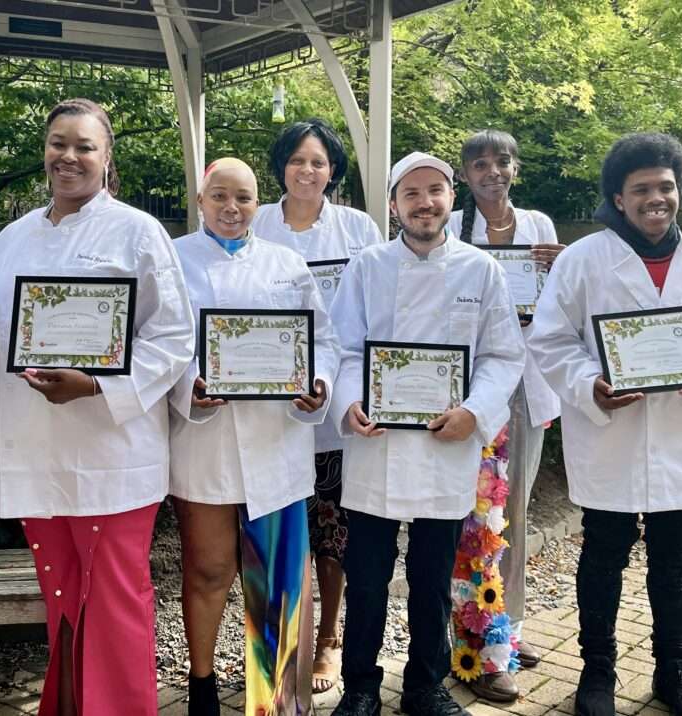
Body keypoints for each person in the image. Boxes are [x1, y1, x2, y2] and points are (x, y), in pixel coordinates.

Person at [0, 98, 195, 716]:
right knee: (60, 597)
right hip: (34, 452)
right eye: (58, 144)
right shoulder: (10, 240)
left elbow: (174, 337)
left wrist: (99, 386)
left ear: (107, 158)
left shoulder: (138, 231)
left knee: (115, 601)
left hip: (114, 454)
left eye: (84, 146)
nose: (68, 157)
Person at [528, 133, 682, 716]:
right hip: (611, 435)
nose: (657, 199)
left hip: (679, 433)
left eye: (666, 187)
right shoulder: (583, 259)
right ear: (618, 198)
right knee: (603, 553)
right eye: (642, 189)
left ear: (679, 191)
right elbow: (550, 339)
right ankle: (597, 673)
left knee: (675, 558)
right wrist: (587, 385)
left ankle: (675, 673)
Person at [328, 152, 526, 716]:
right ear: (393, 206)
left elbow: (502, 355)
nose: (424, 202)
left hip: (447, 446)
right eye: (411, 193)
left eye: (434, 190)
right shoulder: (366, 267)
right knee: (367, 578)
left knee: (433, 579)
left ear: (450, 198)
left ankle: (424, 686)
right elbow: (343, 348)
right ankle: (361, 686)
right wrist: (349, 403)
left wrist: (475, 411)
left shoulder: (479, 270)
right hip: (377, 445)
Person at [169, 157, 340, 715]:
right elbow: (158, 341)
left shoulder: (287, 264)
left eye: (243, 198)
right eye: (219, 196)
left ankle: (274, 700)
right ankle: (201, 688)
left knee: (276, 581)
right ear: (200, 200)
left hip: (275, 442)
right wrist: (185, 387)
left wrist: (319, 382)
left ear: (257, 203)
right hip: (206, 441)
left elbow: (325, 341)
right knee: (209, 568)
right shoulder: (173, 260)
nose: (231, 208)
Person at [252, 119, 384, 694]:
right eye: (297, 160)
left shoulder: (358, 229)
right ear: (281, 166)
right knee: (275, 529)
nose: (308, 171)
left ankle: (328, 640)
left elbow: (379, 309)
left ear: (334, 170)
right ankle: (277, 648)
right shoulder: (255, 223)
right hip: (268, 407)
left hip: (336, 410)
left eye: (320, 162)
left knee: (334, 531)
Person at [446, 130, 563, 701]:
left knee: (512, 510)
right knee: (475, 519)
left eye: (501, 161)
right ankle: (472, 644)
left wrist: (561, 267)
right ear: (465, 176)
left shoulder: (539, 226)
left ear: (514, 167)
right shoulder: (451, 230)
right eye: (479, 164)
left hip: (529, 383)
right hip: (475, 387)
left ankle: (507, 632)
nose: (491, 171)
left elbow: (559, 303)